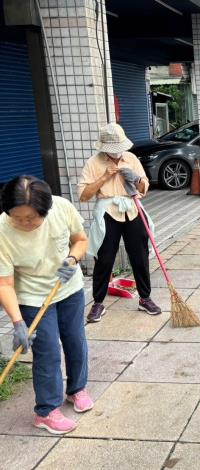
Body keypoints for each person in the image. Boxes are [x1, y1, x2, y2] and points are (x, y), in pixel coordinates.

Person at [0, 176, 92, 434]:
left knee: (76, 340)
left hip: (68, 289)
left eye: (31, 218)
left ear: (46, 209)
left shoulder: (62, 208)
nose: (24, 223)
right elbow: (4, 284)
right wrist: (18, 323)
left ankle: (77, 389)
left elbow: (80, 239)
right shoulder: (2, 231)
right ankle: (46, 411)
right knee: (48, 351)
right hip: (31, 297)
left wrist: (72, 259)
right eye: (17, 218)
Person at [78, 123, 161, 323]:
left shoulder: (131, 158)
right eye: (112, 149)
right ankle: (98, 302)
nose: (117, 153)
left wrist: (136, 179)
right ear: (104, 147)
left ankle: (145, 298)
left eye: (119, 148)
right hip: (108, 211)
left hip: (132, 208)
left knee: (140, 255)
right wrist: (104, 177)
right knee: (104, 257)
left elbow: (144, 187)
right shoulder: (93, 163)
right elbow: (83, 195)